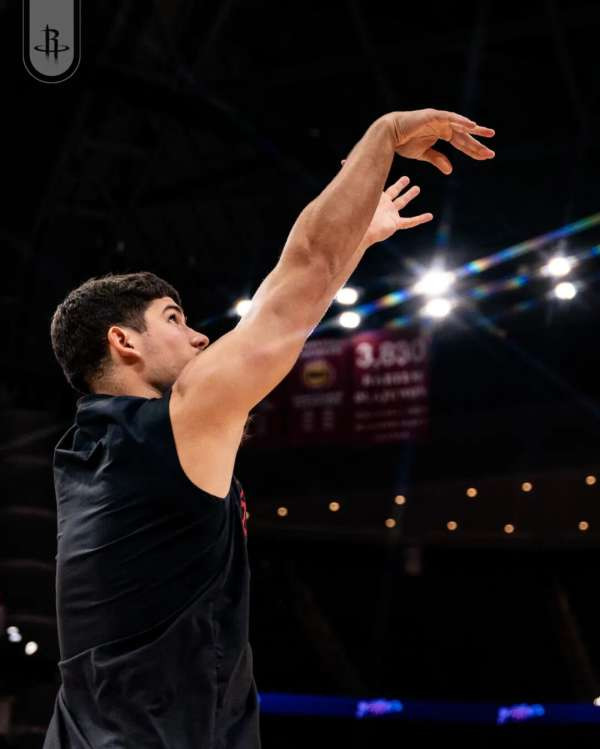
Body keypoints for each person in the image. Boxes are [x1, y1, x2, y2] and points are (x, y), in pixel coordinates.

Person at [44, 108, 494, 749]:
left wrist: (354, 240)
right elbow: (301, 274)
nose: (200, 336)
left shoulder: (90, 453)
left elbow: (294, 298)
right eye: (173, 318)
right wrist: (385, 135)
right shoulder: (170, 427)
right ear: (124, 342)